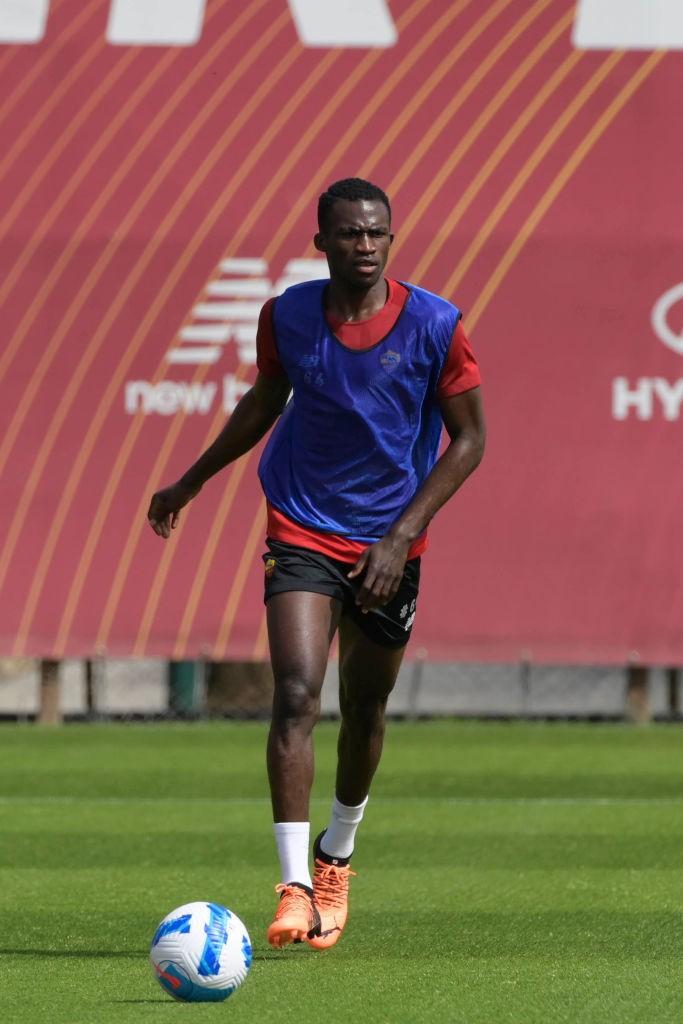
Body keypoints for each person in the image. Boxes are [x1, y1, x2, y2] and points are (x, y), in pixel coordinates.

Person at [147, 177, 485, 951]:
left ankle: (338, 855)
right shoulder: (288, 315)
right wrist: (191, 480)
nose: (365, 245)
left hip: (388, 542)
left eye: (377, 233)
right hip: (300, 523)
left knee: (363, 707)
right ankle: (295, 885)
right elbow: (265, 402)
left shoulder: (436, 323)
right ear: (320, 242)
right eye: (350, 234)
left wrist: (400, 536)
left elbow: (469, 440)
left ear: (389, 238)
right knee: (296, 693)